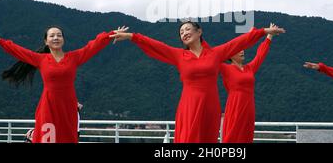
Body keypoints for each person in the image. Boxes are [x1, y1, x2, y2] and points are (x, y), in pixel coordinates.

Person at [110, 21, 285, 143]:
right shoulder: (179, 55)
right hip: (189, 106)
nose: (184, 33)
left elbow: (239, 42)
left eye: (187, 29)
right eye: (181, 32)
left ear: (199, 32)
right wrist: (131, 36)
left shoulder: (216, 54)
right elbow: (155, 45)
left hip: (211, 107)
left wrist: (264, 33)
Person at [0, 25, 126, 143]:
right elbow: (19, 51)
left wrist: (111, 34)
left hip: (68, 108)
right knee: (47, 139)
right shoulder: (40, 59)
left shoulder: (74, 57)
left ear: (63, 39)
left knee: (68, 138)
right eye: (52, 36)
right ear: (46, 41)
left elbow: (93, 46)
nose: (56, 38)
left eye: (59, 35)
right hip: (48, 107)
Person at [220, 23, 283, 143]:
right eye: (238, 50)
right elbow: (212, 57)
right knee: (232, 135)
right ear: (230, 54)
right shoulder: (225, 68)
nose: (242, 51)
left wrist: (269, 36)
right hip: (235, 106)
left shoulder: (249, 68)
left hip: (249, 106)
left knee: (246, 135)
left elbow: (260, 55)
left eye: (242, 49)